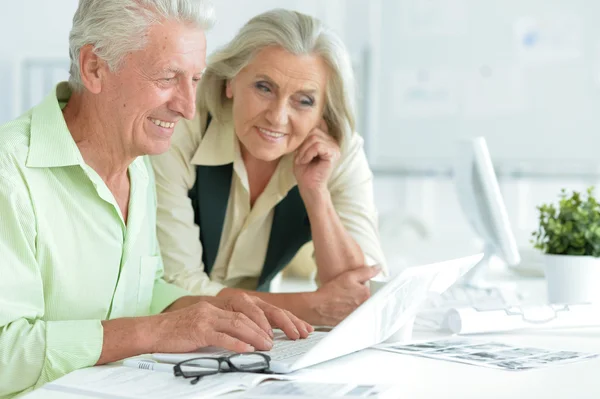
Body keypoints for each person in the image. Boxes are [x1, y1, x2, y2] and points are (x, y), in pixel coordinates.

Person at [0, 1, 312, 397]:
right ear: (94, 67)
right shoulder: (8, 174)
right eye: (168, 77)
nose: (187, 106)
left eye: (196, 79)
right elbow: (4, 355)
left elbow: (143, 290)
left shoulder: (138, 166)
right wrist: (153, 331)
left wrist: (212, 308)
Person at [152, 9, 387, 327]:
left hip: (254, 343)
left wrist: (316, 195)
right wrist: (307, 307)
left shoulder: (338, 151)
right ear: (231, 82)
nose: (277, 117)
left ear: (322, 112)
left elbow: (360, 293)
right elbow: (176, 287)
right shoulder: (179, 131)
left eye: (303, 101)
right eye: (264, 87)